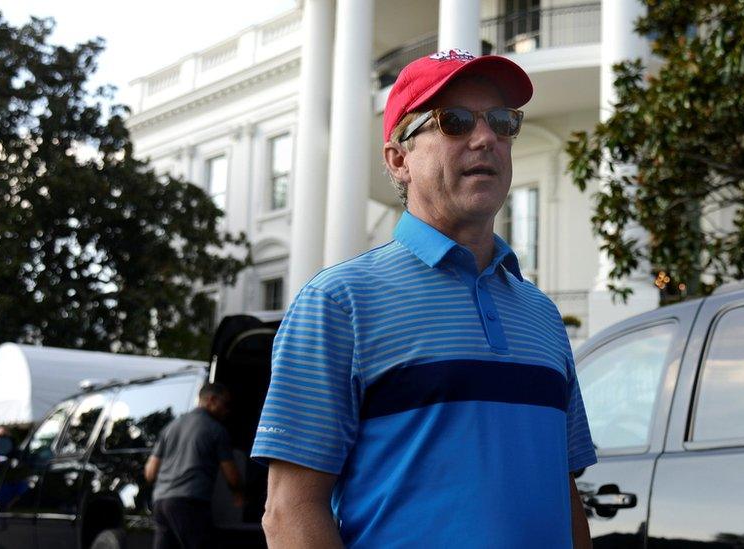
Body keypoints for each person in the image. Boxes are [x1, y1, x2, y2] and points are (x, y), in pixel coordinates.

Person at [252, 48, 597, 548]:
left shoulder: (540, 314)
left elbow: (563, 493)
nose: (486, 138)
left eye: (502, 122)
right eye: (454, 122)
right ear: (399, 159)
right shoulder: (339, 303)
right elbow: (289, 512)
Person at [144, 382, 243, 549]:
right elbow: (231, 474)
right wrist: (239, 494)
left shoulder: (171, 427)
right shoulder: (216, 430)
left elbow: (150, 473)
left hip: (161, 503)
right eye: (226, 405)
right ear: (211, 400)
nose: (228, 411)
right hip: (190, 503)